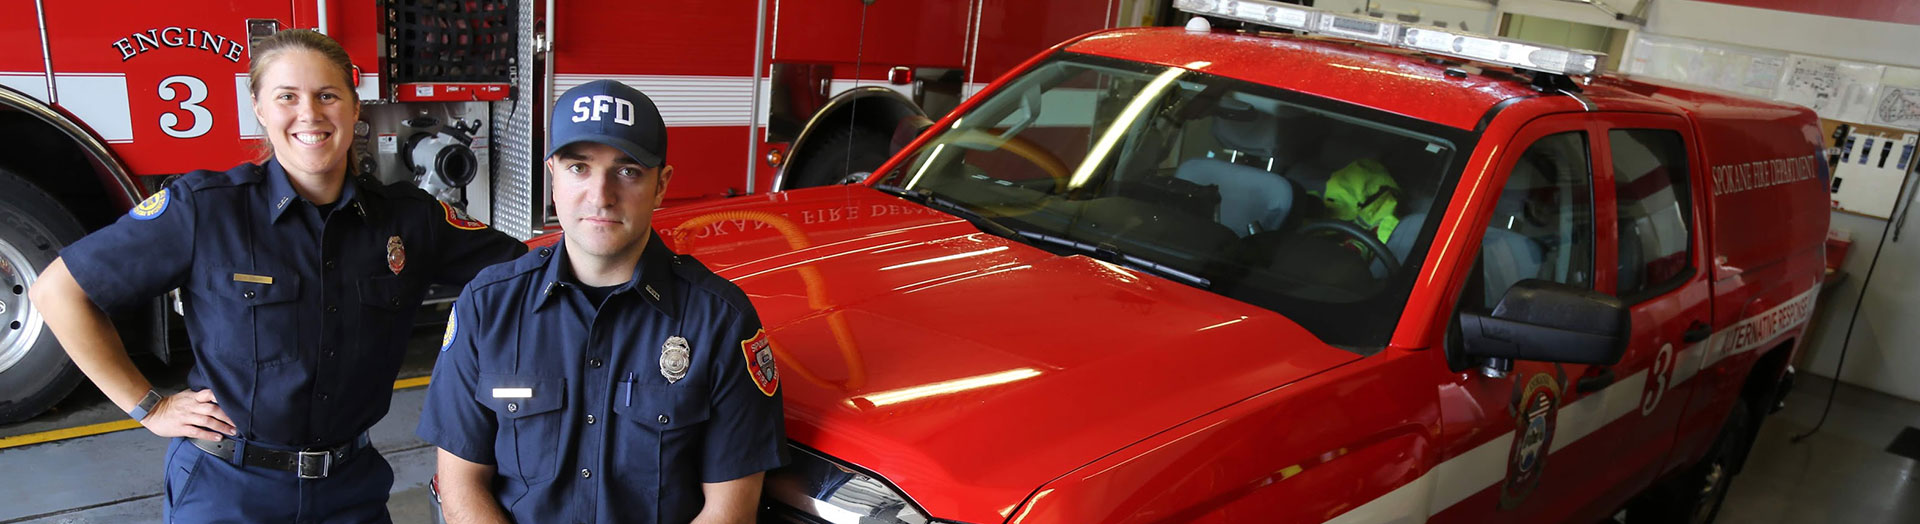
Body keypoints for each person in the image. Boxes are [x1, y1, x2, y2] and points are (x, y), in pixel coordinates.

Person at [27, 29, 526, 523]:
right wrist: (150, 407)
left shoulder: (409, 220)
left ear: (355, 109)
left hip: (351, 491)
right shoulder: (205, 210)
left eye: (327, 95)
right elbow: (59, 291)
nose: (309, 114)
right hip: (229, 491)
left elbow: (527, 271)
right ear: (260, 110)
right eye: (287, 96)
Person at [417, 80, 785, 524]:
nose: (601, 195)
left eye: (627, 170)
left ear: (661, 185)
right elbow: (460, 486)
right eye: (579, 168)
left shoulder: (721, 322)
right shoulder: (487, 307)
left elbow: (730, 511)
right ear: (552, 174)